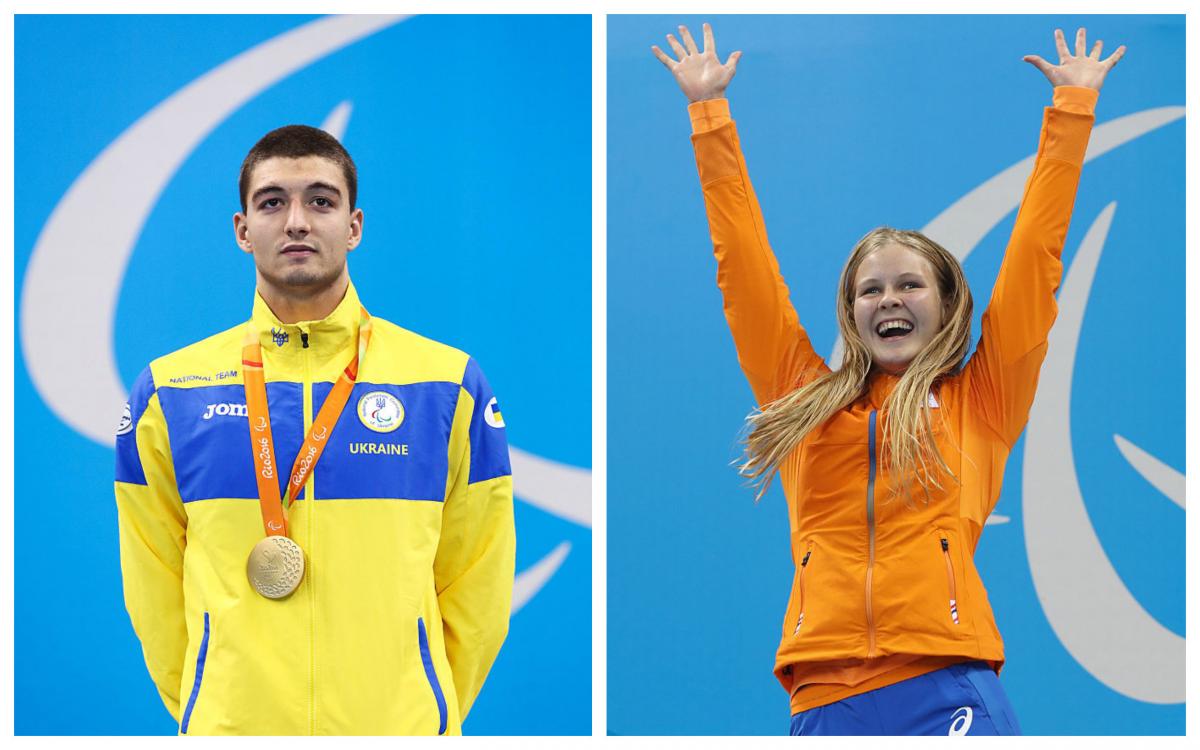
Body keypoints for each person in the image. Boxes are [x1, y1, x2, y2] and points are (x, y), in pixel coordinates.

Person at [653, 23, 1124, 735]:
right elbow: (743, 272)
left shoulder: (983, 398)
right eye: (870, 291)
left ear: (947, 304)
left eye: (910, 286)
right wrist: (709, 117)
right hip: (823, 692)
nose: (890, 300)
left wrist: (1071, 113)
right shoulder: (799, 399)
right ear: (849, 311)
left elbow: (1036, 259)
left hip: (945, 684)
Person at [114, 125, 515, 736]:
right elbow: (154, 588)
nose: (297, 221)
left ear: (353, 226)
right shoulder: (171, 393)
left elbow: (477, 577)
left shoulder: (446, 383)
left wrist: (418, 715)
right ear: (242, 230)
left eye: (320, 201)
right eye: (272, 202)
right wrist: (214, 709)